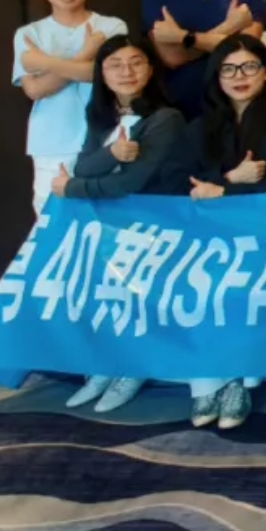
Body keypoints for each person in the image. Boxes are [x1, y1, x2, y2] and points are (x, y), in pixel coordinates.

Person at [179, 34, 266, 430]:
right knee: (197, 284)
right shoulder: (200, 126)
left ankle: (237, 381)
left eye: (249, 67)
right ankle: (206, 383)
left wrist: (223, 191)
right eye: (228, 69)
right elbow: (179, 182)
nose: (239, 76)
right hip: (208, 235)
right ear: (216, 77)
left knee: (239, 284)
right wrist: (229, 178)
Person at [51, 36, 183, 415]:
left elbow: (132, 182)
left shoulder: (166, 118)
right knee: (96, 293)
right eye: (115, 64)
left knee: (134, 297)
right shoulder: (101, 116)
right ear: (102, 74)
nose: (126, 71)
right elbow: (83, 164)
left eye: (136, 62)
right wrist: (112, 153)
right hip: (107, 224)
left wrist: (71, 188)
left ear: (151, 69)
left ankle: (132, 368)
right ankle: (106, 366)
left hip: (155, 225)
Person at [13, 0, 130, 213]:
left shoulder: (112, 27)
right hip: (52, 139)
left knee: (108, 217)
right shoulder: (29, 34)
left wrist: (44, 63)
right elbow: (35, 89)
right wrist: (86, 54)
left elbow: (107, 75)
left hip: (106, 136)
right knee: (54, 218)